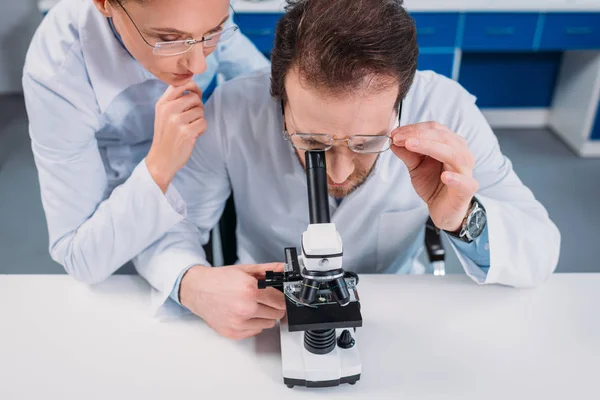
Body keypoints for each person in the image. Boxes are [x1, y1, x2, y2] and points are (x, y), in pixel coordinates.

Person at [136, 0, 561, 340]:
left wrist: (464, 218)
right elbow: (163, 225)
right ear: (278, 94)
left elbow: (541, 250)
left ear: (402, 100)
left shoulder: (447, 110)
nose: (337, 172)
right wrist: (190, 282)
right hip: (266, 317)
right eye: (311, 142)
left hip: (395, 315)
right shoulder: (234, 108)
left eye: (366, 142)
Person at [22, 0, 269, 298]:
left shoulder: (198, 18)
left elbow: (265, 84)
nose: (198, 66)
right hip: (117, 195)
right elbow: (80, 257)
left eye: (214, 31)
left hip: (198, 164)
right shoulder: (56, 71)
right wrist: (160, 165)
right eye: (168, 40)